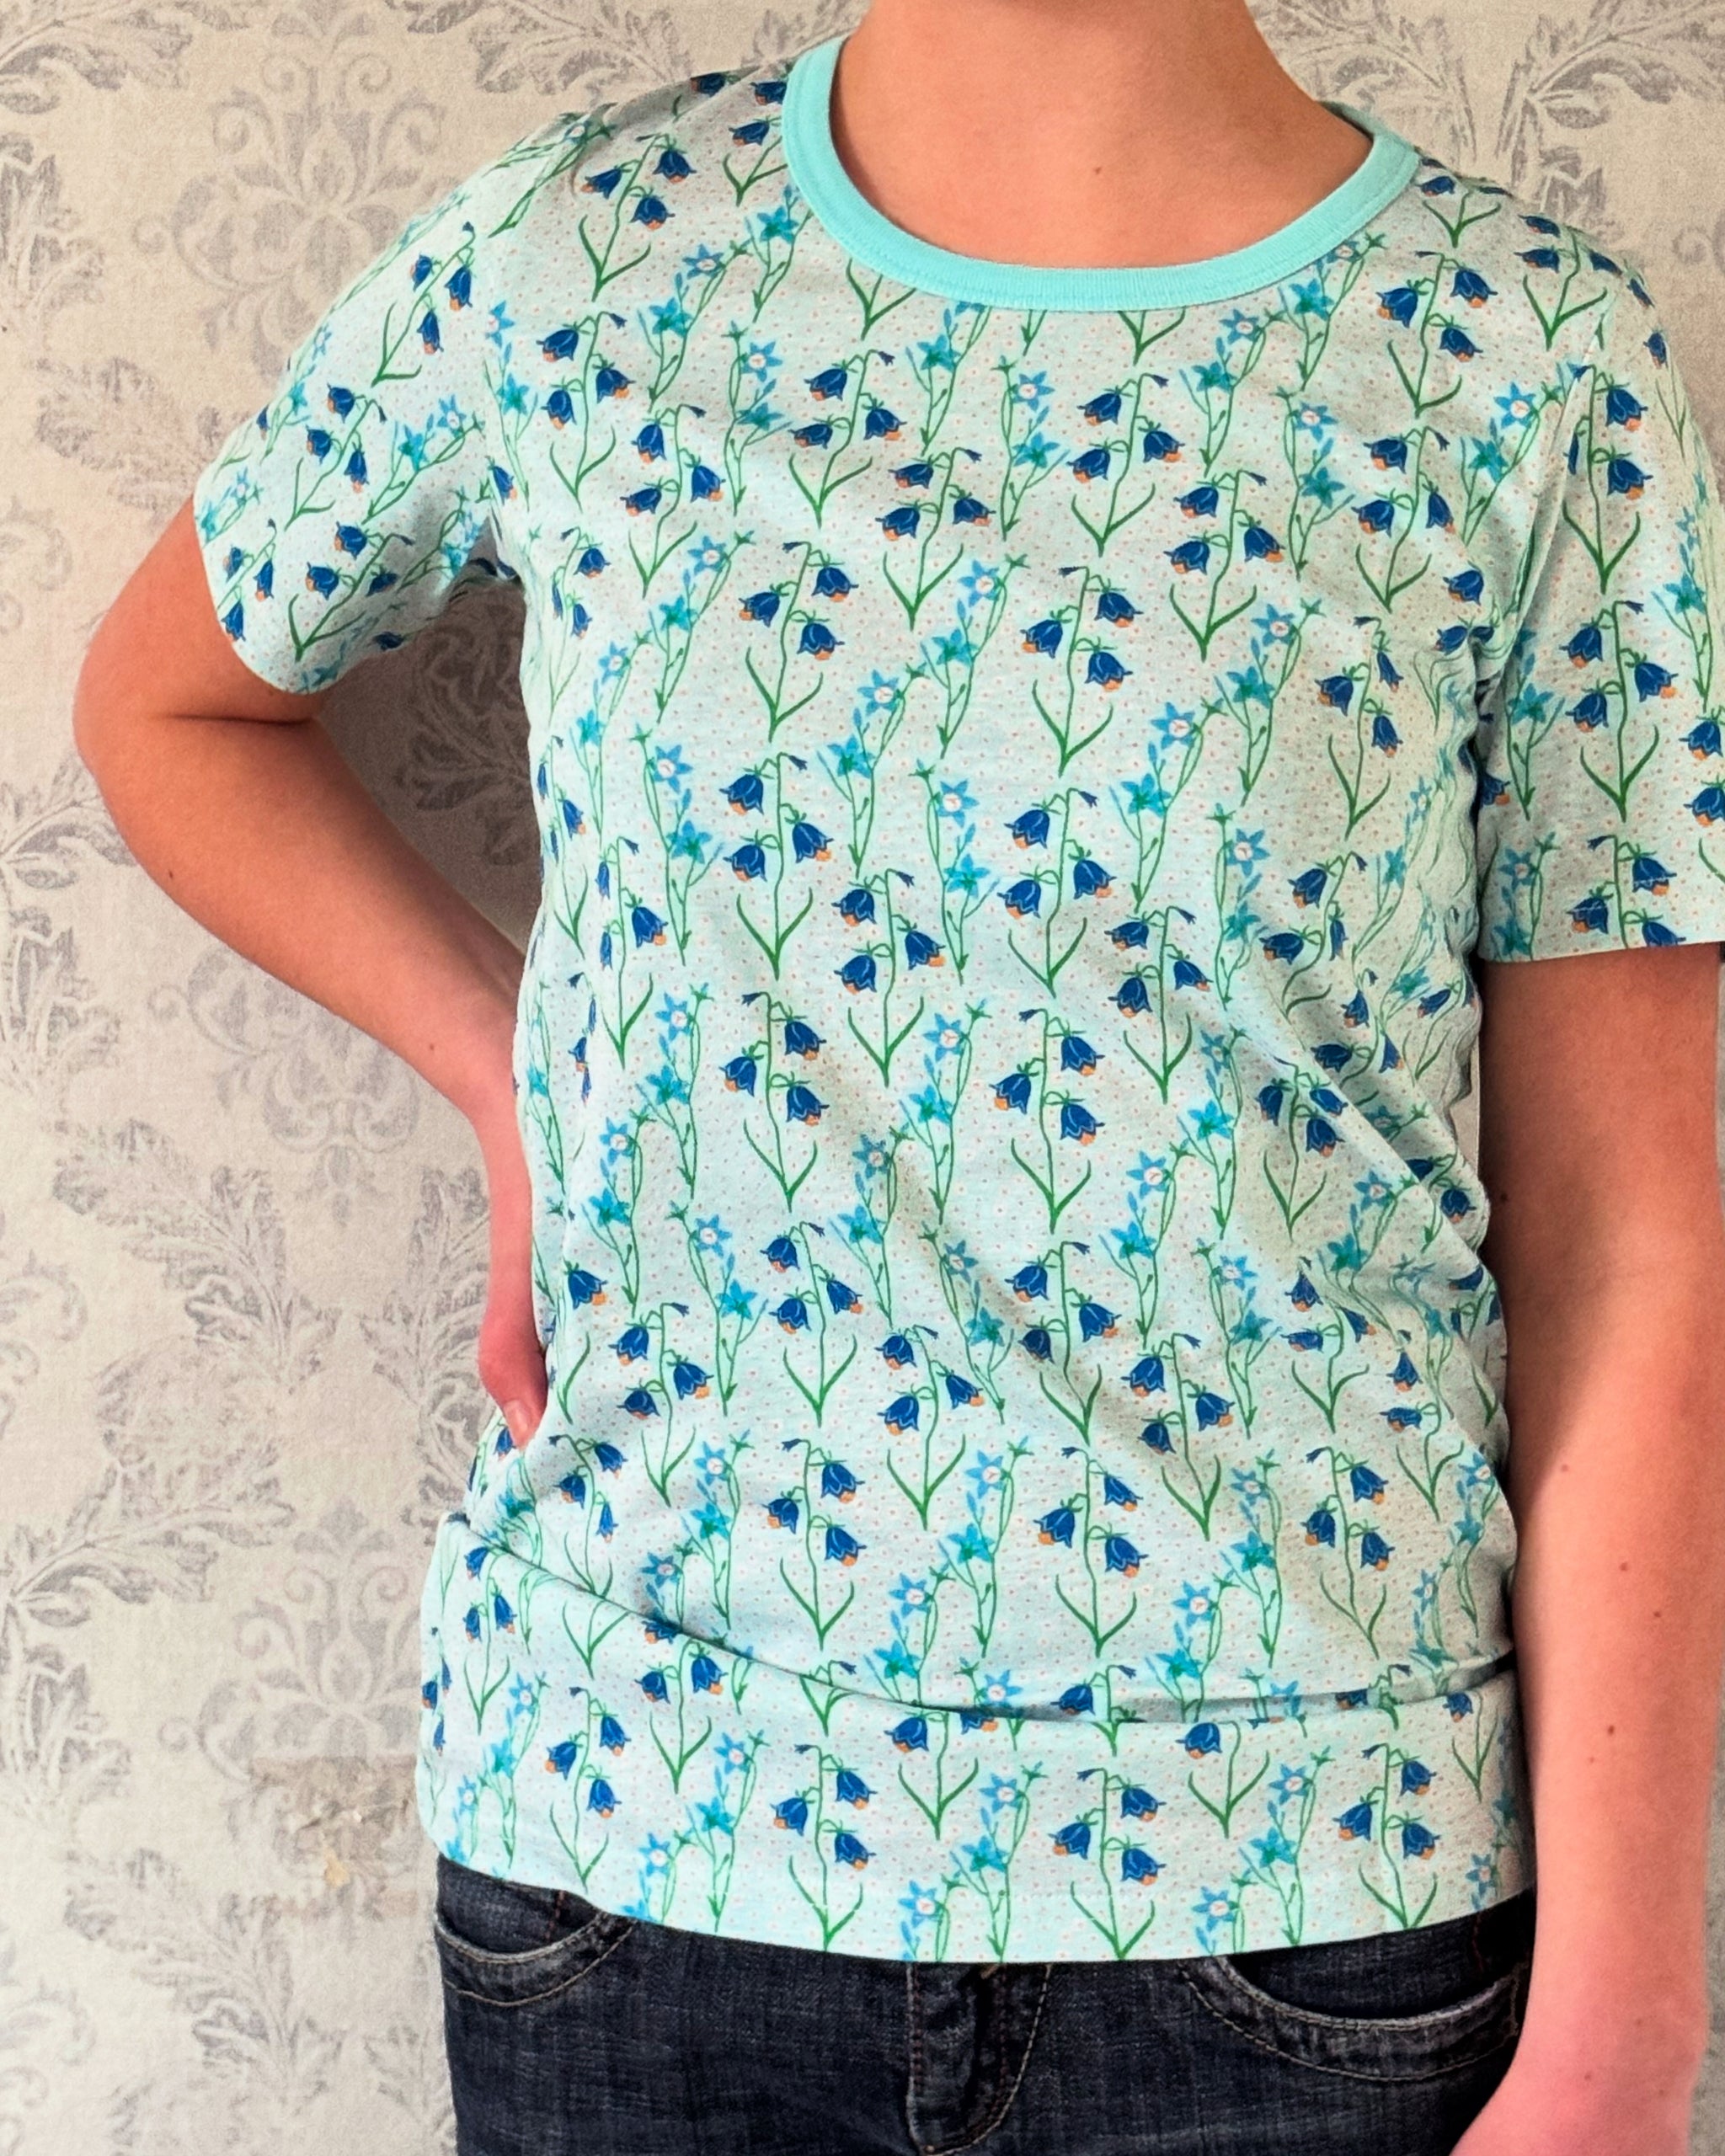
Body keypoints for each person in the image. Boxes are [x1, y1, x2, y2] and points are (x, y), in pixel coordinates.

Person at [72, 0, 1725, 2149]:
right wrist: (507, 1072)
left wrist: (1620, 2023)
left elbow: (1625, 1231)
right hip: (637, 1851)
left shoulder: (1522, 358)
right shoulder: (576, 257)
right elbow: (170, 708)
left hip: (1309, 1896)